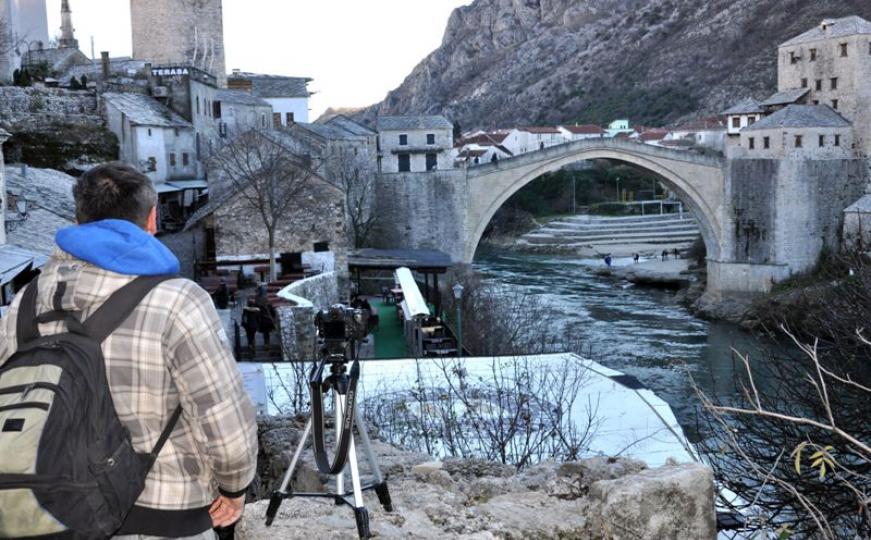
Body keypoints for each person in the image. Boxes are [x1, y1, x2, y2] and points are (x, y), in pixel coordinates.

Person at [0, 163, 258, 538]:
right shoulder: (178, 301)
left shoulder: (22, 304)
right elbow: (220, 414)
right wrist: (234, 487)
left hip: (53, 514)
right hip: (164, 514)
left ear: (79, 218)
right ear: (151, 219)